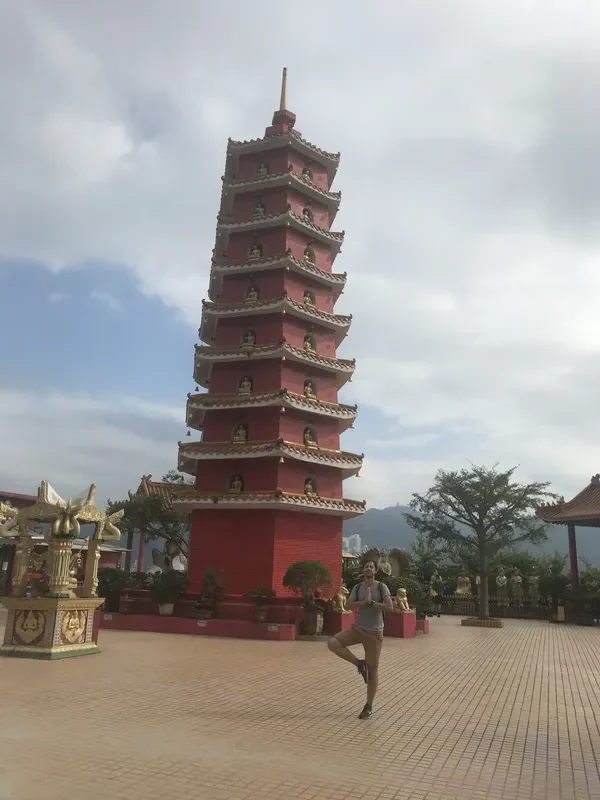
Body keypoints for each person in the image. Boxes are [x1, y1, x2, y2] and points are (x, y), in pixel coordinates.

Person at [327, 553, 393, 719]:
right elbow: (349, 605)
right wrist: (363, 603)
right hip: (358, 629)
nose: (369, 569)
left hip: (374, 634)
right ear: (363, 570)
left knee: (373, 670)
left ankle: (369, 705)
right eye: (366, 566)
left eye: (371, 566)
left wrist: (373, 603)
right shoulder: (357, 588)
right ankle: (358, 664)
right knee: (333, 643)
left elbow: (390, 607)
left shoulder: (381, 587)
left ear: (375, 570)